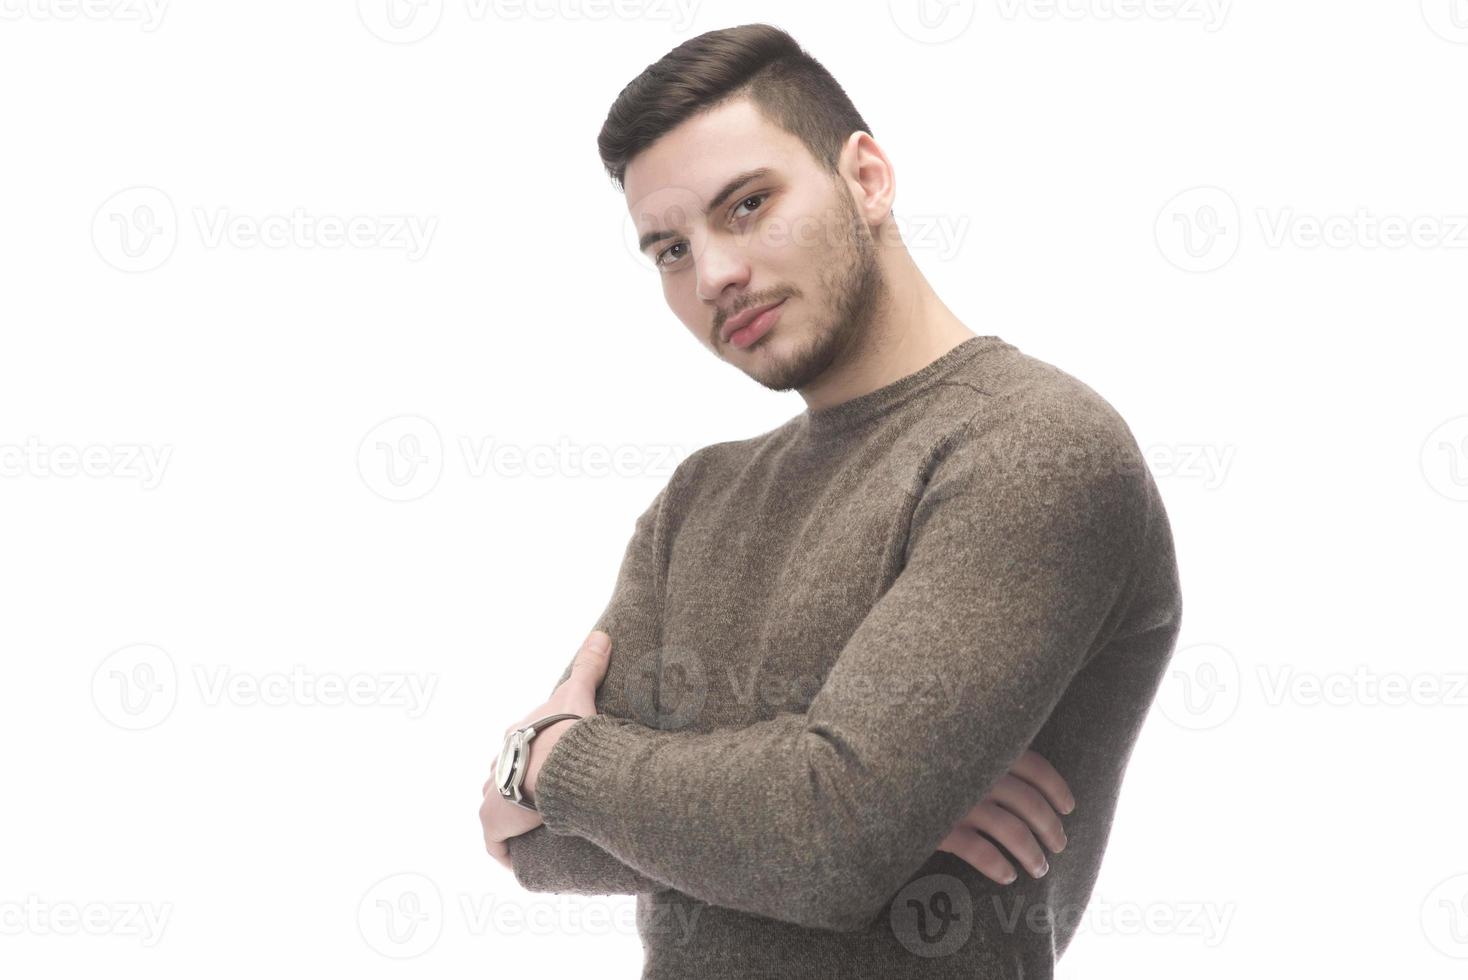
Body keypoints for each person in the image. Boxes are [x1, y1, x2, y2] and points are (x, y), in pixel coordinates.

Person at [481, 22, 1182, 979]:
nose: (715, 274)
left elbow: (830, 844)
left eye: (748, 204)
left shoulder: (1032, 446)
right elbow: (525, 842)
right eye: (670, 251)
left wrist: (558, 761)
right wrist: (841, 794)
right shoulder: (700, 497)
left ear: (867, 178)